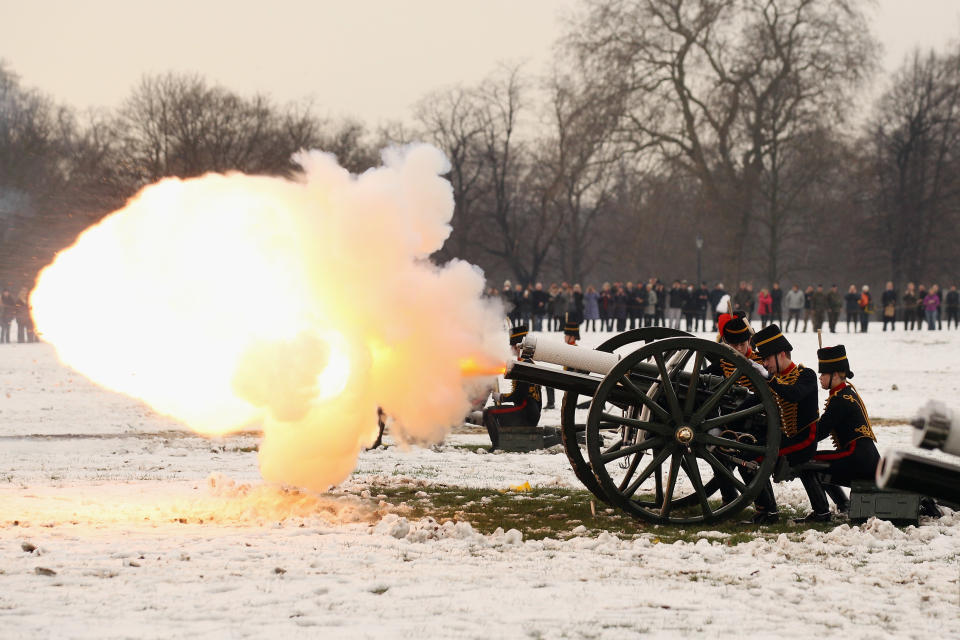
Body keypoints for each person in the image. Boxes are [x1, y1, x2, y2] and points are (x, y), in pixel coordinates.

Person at [744, 324, 828, 524]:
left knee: (753, 459)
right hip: (785, 437)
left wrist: (770, 380)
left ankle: (768, 512)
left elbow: (794, 395)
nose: (765, 364)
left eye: (766, 359)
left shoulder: (805, 375)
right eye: (762, 360)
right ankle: (767, 510)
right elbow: (757, 401)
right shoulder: (776, 379)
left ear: (781, 354)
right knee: (745, 452)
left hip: (804, 439)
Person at [812, 345, 880, 490]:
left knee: (808, 462)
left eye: (823, 373)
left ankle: (822, 511)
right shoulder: (846, 392)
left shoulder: (840, 399)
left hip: (857, 458)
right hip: (866, 458)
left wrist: (796, 441)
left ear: (835, 375)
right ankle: (841, 504)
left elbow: (820, 431)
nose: (820, 377)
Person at [483, 325, 543, 451]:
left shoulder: (524, 365)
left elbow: (519, 395)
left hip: (526, 412)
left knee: (489, 413)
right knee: (497, 412)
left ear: (517, 346)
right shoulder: (527, 363)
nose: (511, 349)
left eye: (512, 346)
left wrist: (502, 397)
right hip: (530, 411)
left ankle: (497, 446)